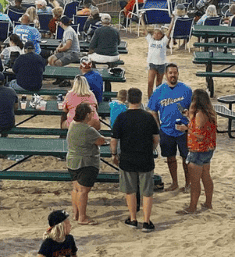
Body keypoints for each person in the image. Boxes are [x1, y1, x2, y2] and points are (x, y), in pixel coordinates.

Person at [110, 87, 160, 231]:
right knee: (147, 191)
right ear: (140, 99)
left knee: (130, 190)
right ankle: (146, 221)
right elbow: (155, 138)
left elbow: (114, 140)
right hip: (145, 157)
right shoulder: (148, 117)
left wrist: (114, 154)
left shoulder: (122, 117)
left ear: (127, 100)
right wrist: (151, 148)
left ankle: (133, 218)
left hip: (127, 158)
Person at [147, 63, 192, 192]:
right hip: (166, 130)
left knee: (186, 158)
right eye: (170, 73)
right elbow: (153, 110)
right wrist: (158, 126)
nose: (173, 75)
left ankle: (188, 183)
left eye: (175, 72)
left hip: (183, 130)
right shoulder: (159, 91)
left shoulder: (187, 90)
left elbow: (193, 110)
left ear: (178, 74)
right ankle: (174, 182)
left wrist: (189, 125)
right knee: (170, 158)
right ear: (166, 74)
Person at [67, 103, 107, 224]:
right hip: (86, 162)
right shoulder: (88, 129)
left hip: (72, 161)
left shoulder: (73, 125)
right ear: (87, 115)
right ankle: (82, 217)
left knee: (76, 189)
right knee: (83, 191)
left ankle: (76, 214)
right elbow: (101, 141)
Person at [178, 88, 216, 214]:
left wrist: (186, 129)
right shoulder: (209, 112)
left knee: (195, 182)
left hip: (197, 149)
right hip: (207, 149)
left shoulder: (200, 114)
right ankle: (208, 203)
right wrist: (188, 116)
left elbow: (199, 135)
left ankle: (192, 207)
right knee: (206, 176)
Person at [145, 23, 171, 99]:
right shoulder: (150, 41)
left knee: (158, 83)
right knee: (150, 82)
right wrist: (141, 18)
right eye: (154, 33)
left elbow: (169, 31)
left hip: (161, 64)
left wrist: (173, 21)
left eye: (158, 33)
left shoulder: (163, 41)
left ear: (161, 35)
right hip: (152, 64)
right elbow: (145, 30)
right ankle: (150, 98)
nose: (156, 35)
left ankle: (157, 98)